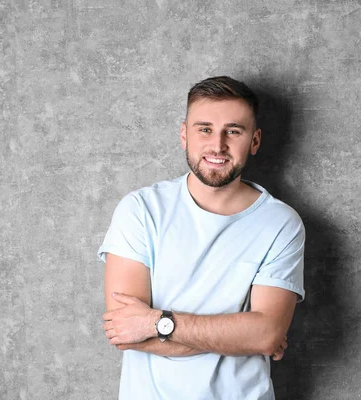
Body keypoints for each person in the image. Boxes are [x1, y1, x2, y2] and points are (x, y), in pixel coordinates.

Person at [97, 76, 305, 400]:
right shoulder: (140, 210)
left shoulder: (281, 224)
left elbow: (265, 335)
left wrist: (156, 323)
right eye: (204, 129)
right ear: (184, 134)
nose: (218, 145)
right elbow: (126, 333)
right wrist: (242, 336)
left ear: (255, 140)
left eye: (233, 131)